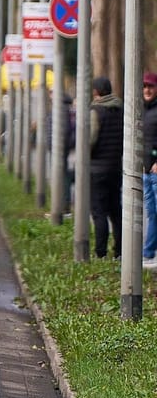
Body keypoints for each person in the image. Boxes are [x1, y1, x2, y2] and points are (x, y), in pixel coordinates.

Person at [88, 75, 124, 260]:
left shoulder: (96, 111)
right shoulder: (120, 109)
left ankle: (100, 252)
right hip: (115, 168)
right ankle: (119, 251)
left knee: (99, 212)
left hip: (97, 170)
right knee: (115, 211)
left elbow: (90, 140)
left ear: (96, 92)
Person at [142, 73, 157, 271]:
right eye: (144, 86)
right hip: (145, 171)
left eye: (151, 86)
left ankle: (147, 252)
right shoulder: (142, 111)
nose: (147, 89)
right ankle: (148, 253)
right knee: (151, 214)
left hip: (155, 171)